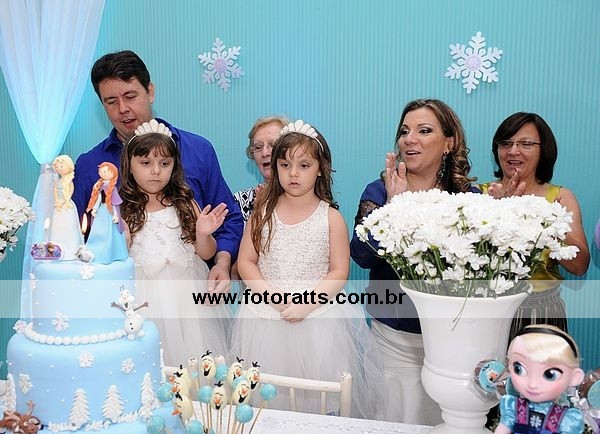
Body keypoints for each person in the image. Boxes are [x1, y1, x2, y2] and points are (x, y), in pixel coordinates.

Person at [231, 120, 383, 418]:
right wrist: (272, 297)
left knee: (317, 402)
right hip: (266, 320)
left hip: (317, 321)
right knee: (268, 399)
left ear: (320, 169)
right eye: (285, 165)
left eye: (304, 165)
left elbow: (338, 272)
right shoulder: (261, 213)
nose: (293, 173)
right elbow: (246, 262)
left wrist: (306, 303)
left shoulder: (331, 218)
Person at [350, 98, 479, 424]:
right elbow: (361, 255)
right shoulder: (379, 191)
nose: (410, 139)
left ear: (449, 143)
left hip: (451, 342)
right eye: (405, 131)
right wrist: (394, 208)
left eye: (424, 131)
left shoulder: (470, 199)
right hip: (392, 340)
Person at [73, 50, 242, 292]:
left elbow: (227, 217)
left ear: (150, 92)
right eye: (111, 102)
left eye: (130, 96)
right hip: (124, 294)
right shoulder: (90, 166)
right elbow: (79, 237)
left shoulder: (198, 150)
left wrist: (222, 263)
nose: (123, 108)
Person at [120, 119, 230, 364]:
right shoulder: (123, 209)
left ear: (174, 166)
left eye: (164, 163)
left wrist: (203, 234)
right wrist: (123, 241)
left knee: (194, 357)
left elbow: (205, 253)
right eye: (146, 163)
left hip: (187, 296)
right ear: (130, 165)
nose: (156, 170)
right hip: (145, 297)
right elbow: (117, 261)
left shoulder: (185, 203)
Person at [481, 112, 590, 338]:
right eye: (506, 143)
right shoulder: (479, 195)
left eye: (526, 144)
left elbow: (579, 266)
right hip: (487, 312)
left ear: (543, 151)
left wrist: (543, 218)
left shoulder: (559, 198)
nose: (513, 151)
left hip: (541, 314)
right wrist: (500, 209)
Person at [495, 325, 584, 434]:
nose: (533, 384)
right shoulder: (514, 407)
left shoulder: (565, 419)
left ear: (574, 377)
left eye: (550, 374)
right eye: (519, 369)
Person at [233, 115, 289, 222]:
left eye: (273, 145)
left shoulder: (306, 199)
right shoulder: (239, 201)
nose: (265, 153)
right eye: (258, 147)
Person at [85, 162, 128, 264]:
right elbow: (98, 199)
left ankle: (110, 253)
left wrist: (116, 215)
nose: (102, 173)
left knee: (110, 233)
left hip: (109, 212)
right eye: (101, 171)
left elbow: (115, 203)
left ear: (112, 173)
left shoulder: (113, 188)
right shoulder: (100, 186)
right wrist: (95, 209)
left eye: (105, 171)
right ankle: (96, 250)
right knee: (98, 231)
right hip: (101, 211)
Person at [49, 155, 84, 260]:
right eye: (57, 167)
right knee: (57, 227)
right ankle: (57, 250)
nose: (59, 168)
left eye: (61, 166)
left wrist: (64, 201)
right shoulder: (58, 182)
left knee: (69, 226)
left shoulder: (69, 181)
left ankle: (71, 251)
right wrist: (57, 202)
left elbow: (70, 192)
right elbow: (55, 192)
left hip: (67, 205)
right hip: (58, 206)